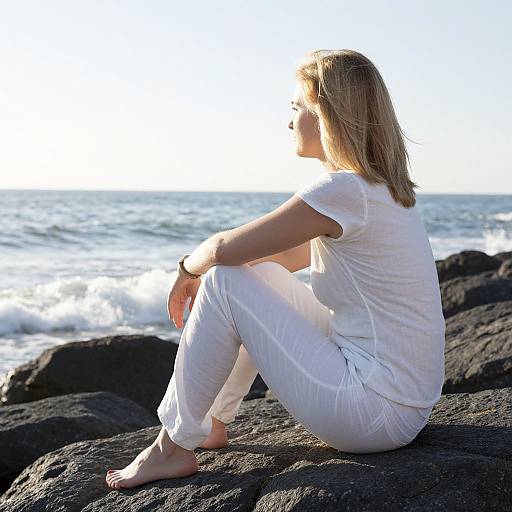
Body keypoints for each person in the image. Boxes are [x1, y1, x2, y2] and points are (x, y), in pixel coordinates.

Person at [105, 49, 445, 490]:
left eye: (296, 107)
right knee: (252, 275)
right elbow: (280, 258)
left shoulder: (345, 189)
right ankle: (211, 421)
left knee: (225, 277)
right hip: (402, 403)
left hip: (373, 410)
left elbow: (223, 248)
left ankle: (170, 448)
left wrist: (186, 269)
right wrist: (212, 274)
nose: (289, 121)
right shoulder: (378, 189)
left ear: (326, 113)